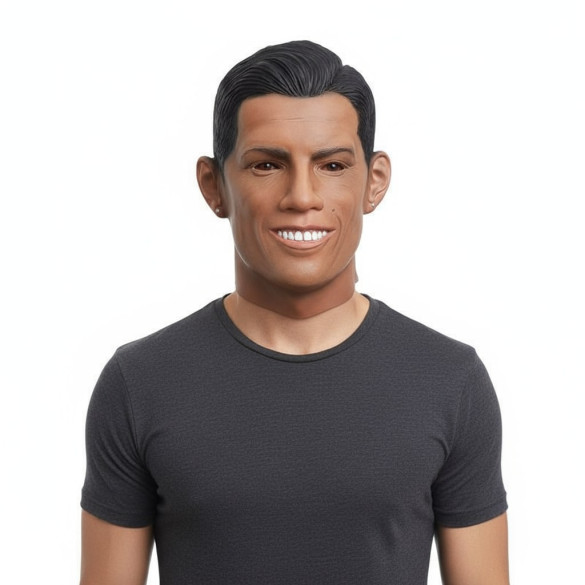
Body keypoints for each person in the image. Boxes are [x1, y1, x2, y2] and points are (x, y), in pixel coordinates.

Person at [80, 40, 509, 585]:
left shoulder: (450, 381)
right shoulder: (140, 383)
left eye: (332, 165)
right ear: (214, 186)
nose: (302, 196)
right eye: (266, 165)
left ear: (374, 181)